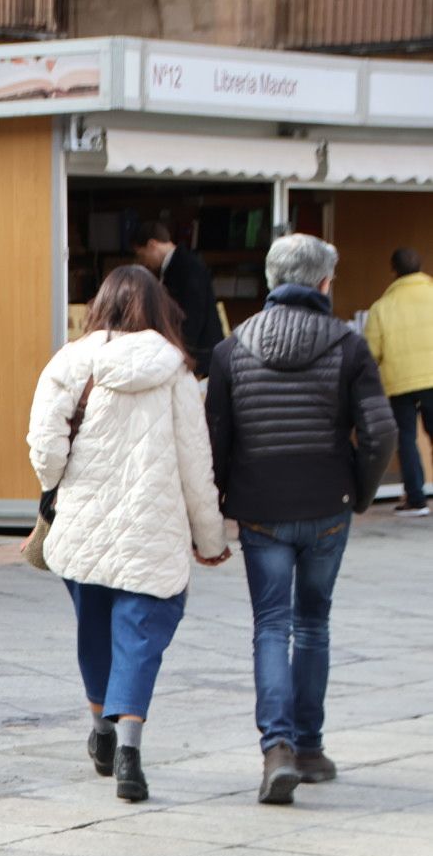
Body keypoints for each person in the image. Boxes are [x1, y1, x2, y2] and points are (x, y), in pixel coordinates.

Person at [27, 265, 229, 804]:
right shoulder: (177, 373)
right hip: (152, 528)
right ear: (160, 307)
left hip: (82, 526)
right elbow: (196, 465)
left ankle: (100, 728)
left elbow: (45, 445)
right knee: (139, 636)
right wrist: (210, 540)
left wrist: (55, 484)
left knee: (93, 629)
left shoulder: (71, 361)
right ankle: (130, 751)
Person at [207, 234, 395, 805]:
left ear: (270, 279)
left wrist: (220, 502)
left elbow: (214, 439)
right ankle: (310, 749)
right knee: (313, 625)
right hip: (326, 505)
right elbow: (381, 430)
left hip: (261, 508)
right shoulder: (348, 344)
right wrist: (358, 494)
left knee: (271, 625)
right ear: (323, 283)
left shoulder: (231, 348)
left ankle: (278, 750)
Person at [363, 247, 433, 517]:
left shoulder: (382, 307)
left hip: (400, 383)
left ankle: (415, 500)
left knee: (406, 438)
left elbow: (371, 352)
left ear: (393, 270)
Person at [133, 221, 223, 379]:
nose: (144, 262)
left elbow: (193, 317)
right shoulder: (179, 265)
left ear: (152, 245)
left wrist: (181, 357)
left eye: (142, 255)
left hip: (197, 359)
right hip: (192, 357)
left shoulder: (186, 267)